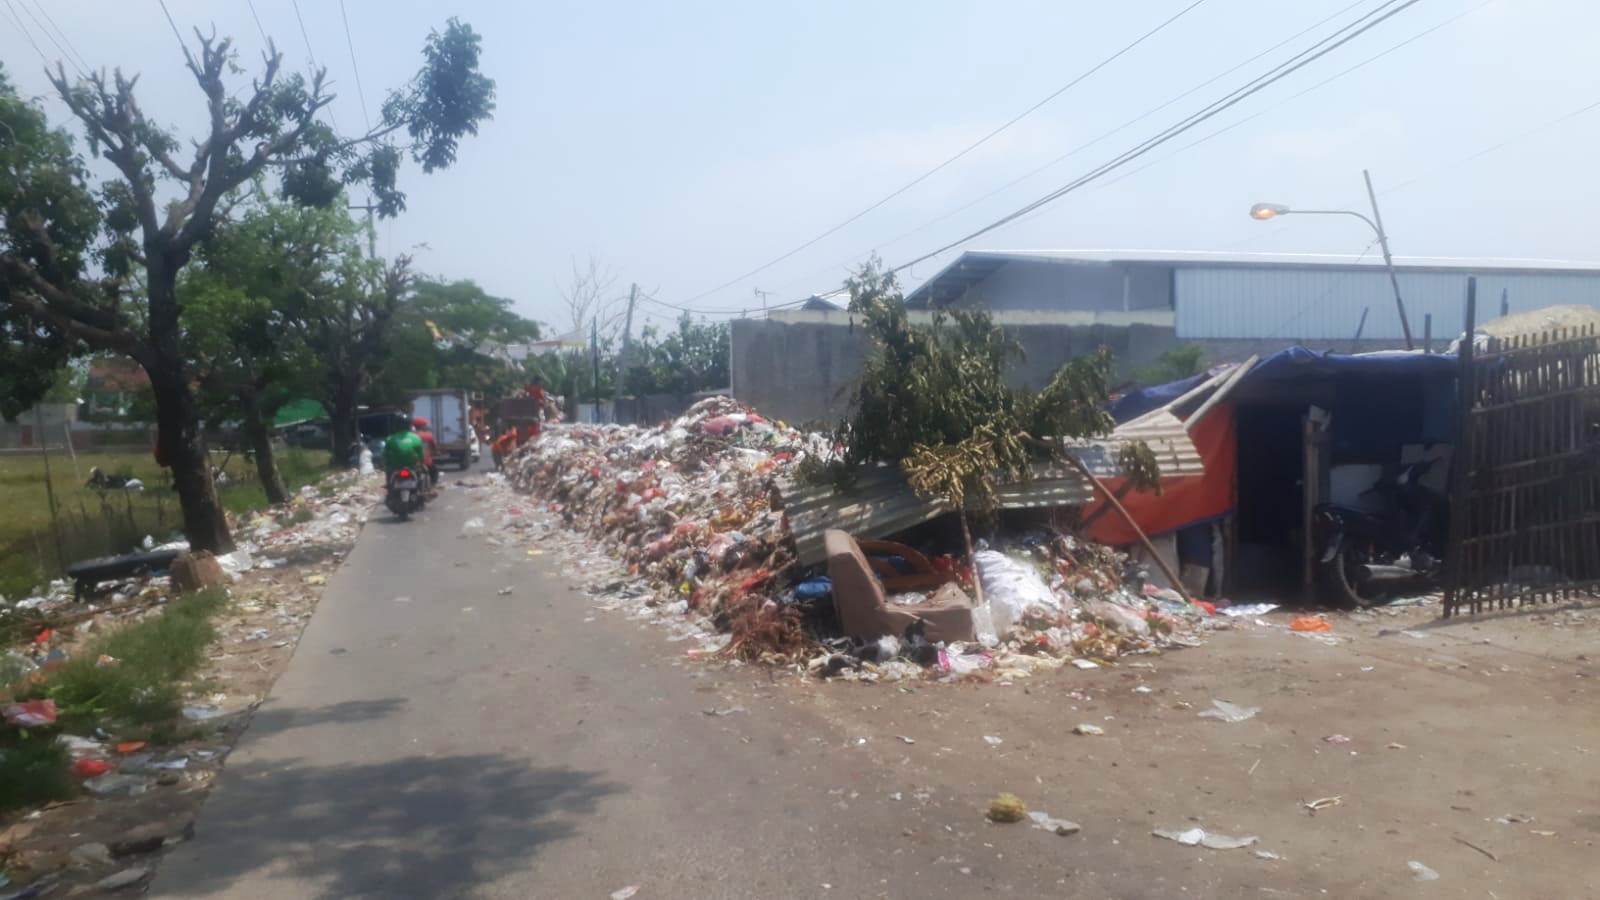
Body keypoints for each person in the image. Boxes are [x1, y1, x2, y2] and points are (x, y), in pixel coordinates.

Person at [382, 418, 427, 490]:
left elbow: (385, 455)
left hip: (395, 466)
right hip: (412, 466)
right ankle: (421, 490)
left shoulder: (390, 439)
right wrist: (421, 462)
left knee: (389, 474)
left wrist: (386, 464)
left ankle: (389, 488)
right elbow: (420, 455)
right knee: (422, 474)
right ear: (409, 426)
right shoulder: (416, 438)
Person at [413, 416, 440, 483]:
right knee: (434, 471)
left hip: (412, 461)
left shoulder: (411, 435)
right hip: (426, 461)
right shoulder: (428, 435)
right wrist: (436, 452)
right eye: (425, 425)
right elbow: (434, 447)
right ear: (422, 426)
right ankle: (433, 485)